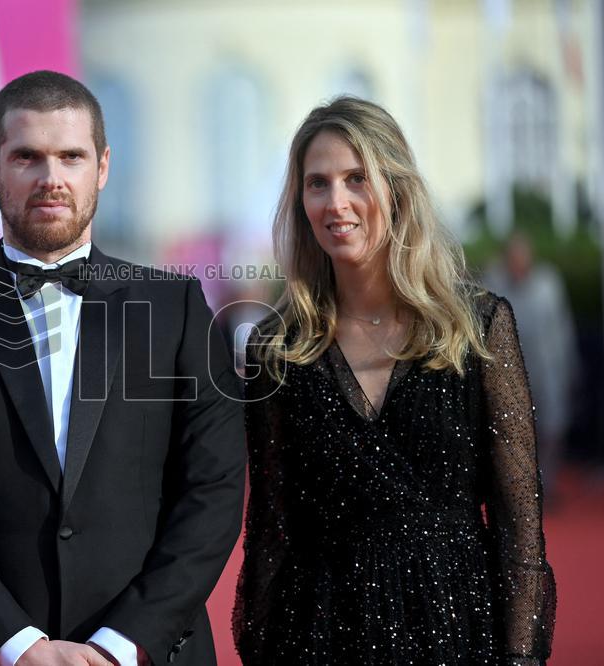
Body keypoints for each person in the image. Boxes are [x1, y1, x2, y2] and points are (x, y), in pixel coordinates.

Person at [0, 70, 245, 666]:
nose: (51, 179)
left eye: (72, 156)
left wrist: (123, 644)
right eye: (27, 158)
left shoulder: (178, 310)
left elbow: (214, 491)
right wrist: (18, 646)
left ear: (103, 167)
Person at [233, 97, 556, 665]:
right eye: (317, 183)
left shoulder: (476, 328)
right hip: (317, 635)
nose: (336, 203)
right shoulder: (277, 348)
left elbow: (519, 525)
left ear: (397, 189)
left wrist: (523, 655)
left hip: (456, 629)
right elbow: (269, 531)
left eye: (357, 178)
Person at [484, 233, 577, 496]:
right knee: (511, 431)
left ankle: (547, 482)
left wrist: (569, 366)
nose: (519, 264)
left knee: (552, 427)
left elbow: (562, 327)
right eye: (513, 258)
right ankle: (519, 487)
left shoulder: (548, 283)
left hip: (547, 369)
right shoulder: (494, 282)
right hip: (508, 373)